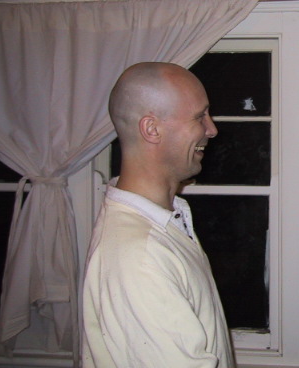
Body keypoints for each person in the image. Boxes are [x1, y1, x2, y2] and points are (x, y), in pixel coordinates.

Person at [81, 62, 235, 367]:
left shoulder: (162, 222)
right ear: (152, 129)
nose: (212, 129)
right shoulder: (139, 257)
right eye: (200, 116)